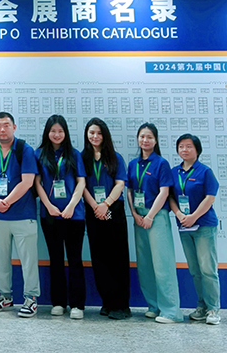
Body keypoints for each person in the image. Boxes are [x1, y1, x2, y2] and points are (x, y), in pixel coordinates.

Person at [0, 112, 40, 318]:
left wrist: (7, 201)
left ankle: (31, 298)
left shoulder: (25, 149)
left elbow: (28, 181)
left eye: (6, 125)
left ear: (14, 127)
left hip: (23, 214)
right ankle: (5, 296)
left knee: (28, 259)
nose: (2, 129)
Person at [127, 122, 181, 323]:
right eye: (142, 136)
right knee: (145, 264)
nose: (145, 140)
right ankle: (153, 305)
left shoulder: (161, 163)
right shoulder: (133, 164)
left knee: (162, 264)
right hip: (139, 217)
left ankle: (171, 311)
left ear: (156, 140)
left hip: (156, 216)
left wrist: (150, 216)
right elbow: (129, 191)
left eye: (149, 137)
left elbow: (164, 192)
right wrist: (134, 213)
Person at [34, 115, 86, 319]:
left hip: (74, 215)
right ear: (47, 133)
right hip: (50, 215)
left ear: (66, 133)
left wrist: (72, 206)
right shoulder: (39, 154)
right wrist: (49, 206)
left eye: (60, 131)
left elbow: (81, 182)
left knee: (75, 259)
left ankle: (77, 305)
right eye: (53, 131)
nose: (57, 135)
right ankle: (58, 302)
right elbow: (37, 183)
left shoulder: (74, 154)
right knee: (55, 259)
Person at [81, 118, 131, 320]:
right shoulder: (82, 158)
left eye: (99, 133)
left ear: (105, 135)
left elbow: (120, 184)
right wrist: (95, 206)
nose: (95, 136)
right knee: (99, 256)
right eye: (92, 132)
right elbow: (81, 185)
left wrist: (105, 204)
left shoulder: (115, 157)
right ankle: (107, 302)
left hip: (112, 209)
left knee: (117, 256)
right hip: (93, 210)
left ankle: (122, 305)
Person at [169, 134, 221, 325]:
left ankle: (213, 309)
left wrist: (193, 216)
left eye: (189, 146)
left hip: (204, 225)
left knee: (208, 269)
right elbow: (170, 197)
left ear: (197, 150)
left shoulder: (204, 171)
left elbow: (210, 197)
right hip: (184, 226)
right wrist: (179, 214)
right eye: (181, 146)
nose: (184, 150)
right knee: (195, 270)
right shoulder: (174, 172)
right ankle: (202, 306)